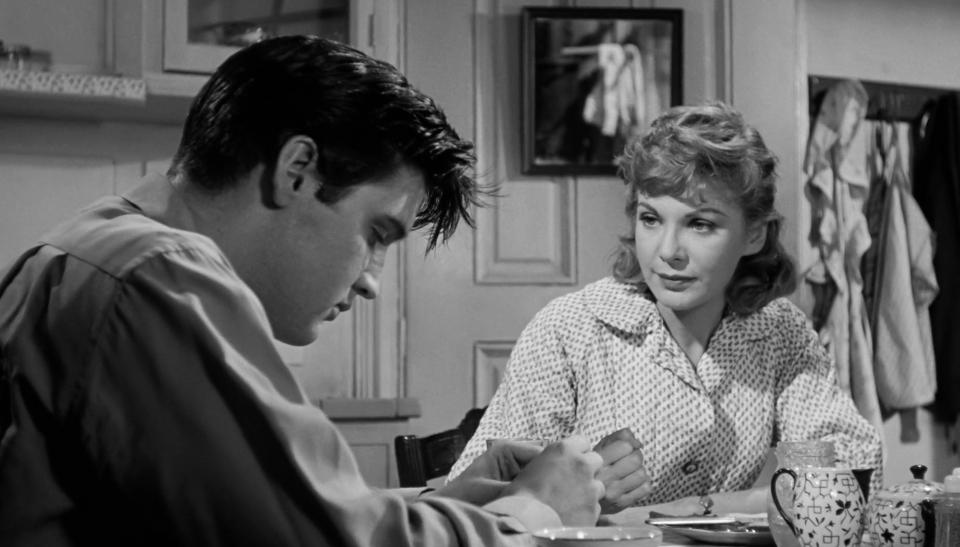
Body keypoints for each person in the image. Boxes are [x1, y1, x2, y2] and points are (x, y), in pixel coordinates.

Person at [0, 36, 623, 546]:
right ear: (297, 172)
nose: (373, 280)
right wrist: (538, 513)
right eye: (376, 233)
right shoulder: (162, 277)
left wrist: (450, 502)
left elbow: (263, 521)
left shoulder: (91, 246)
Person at [448, 102, 884, 519]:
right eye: (651, 219)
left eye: (700, 224)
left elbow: (853, 473)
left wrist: (710, 506)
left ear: (753, 234)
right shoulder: (570, 329)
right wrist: (580, 492)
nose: (668, 252)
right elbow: (476, 505)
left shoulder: (777, 331)